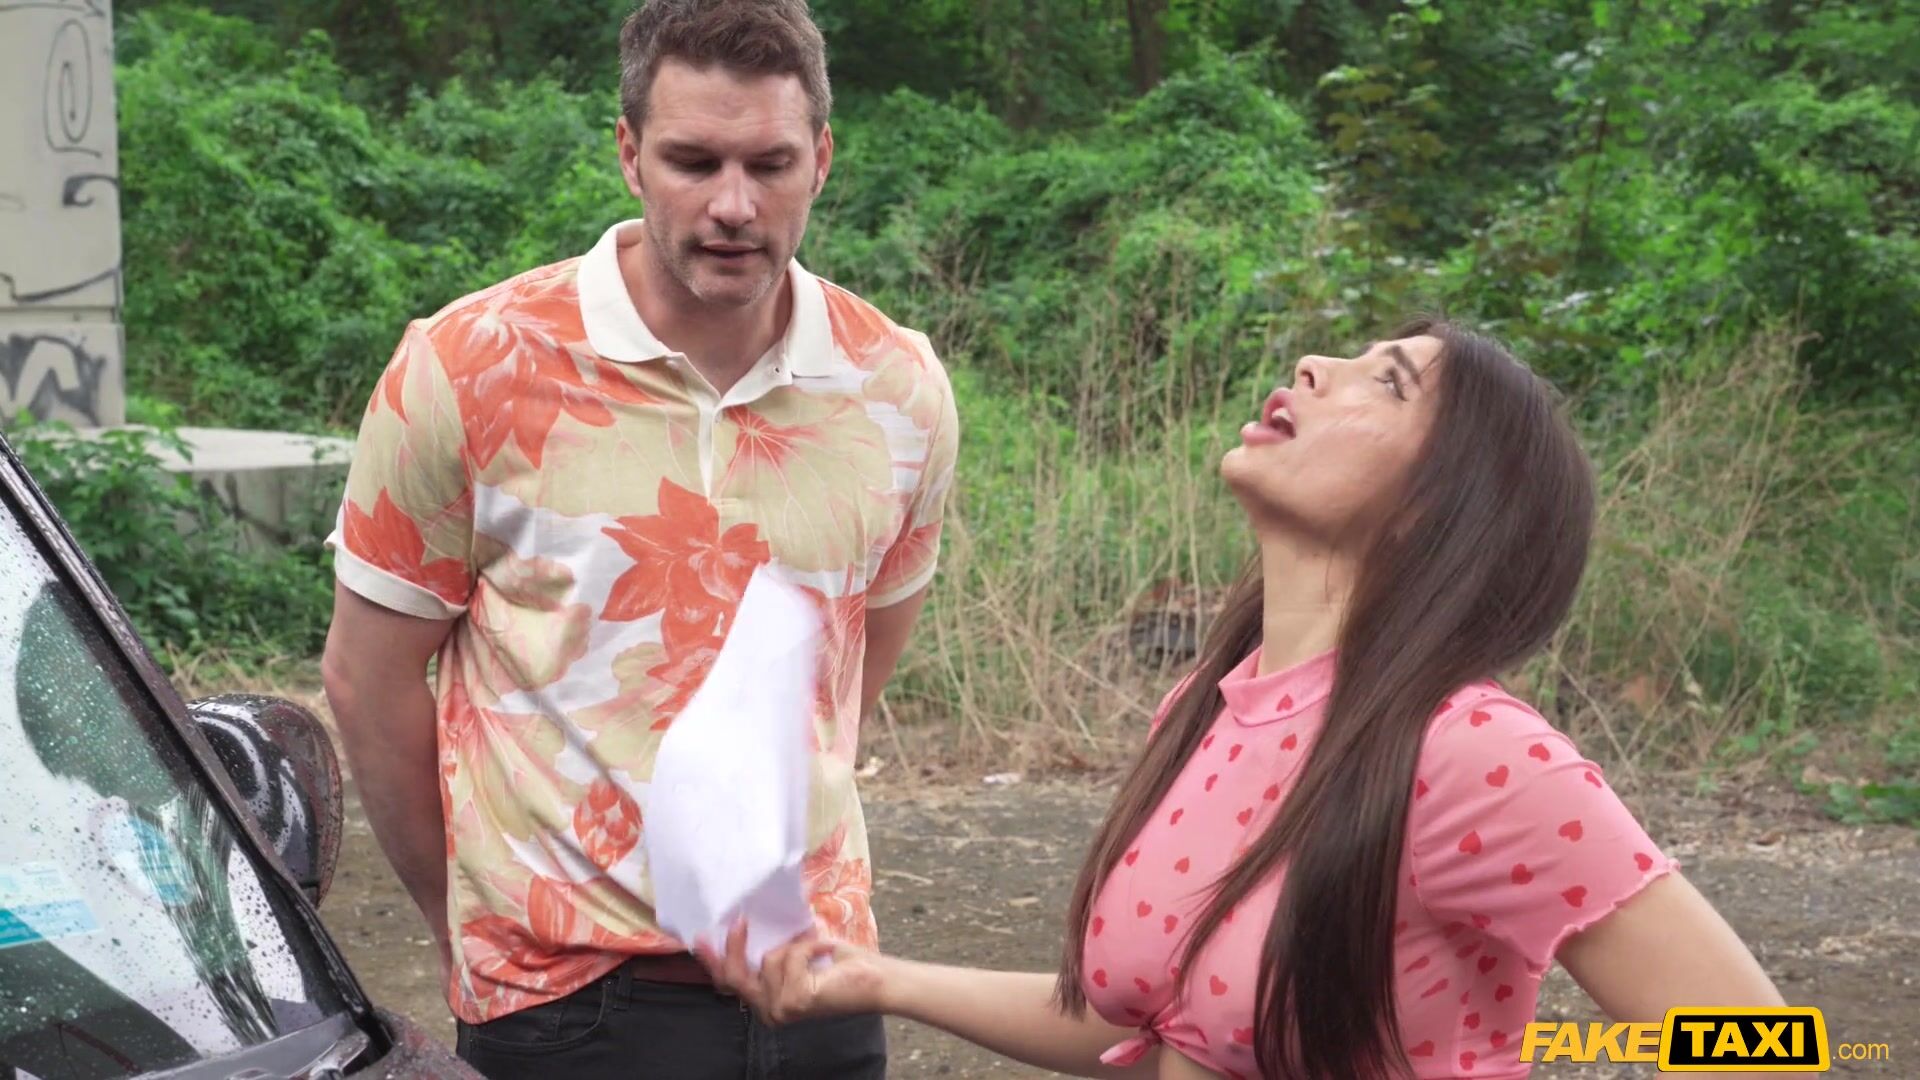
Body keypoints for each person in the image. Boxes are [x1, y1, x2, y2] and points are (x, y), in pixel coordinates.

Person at [705, 321, 1785, 1079]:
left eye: (1387, 384)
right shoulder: (1205, 709)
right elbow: (1156, 1032)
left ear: (1439, 508)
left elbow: (1756, 1045)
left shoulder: (1472, 754)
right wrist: (876, 980)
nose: (1314, 365)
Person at [319, 1, 957, 1076]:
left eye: (770, 164)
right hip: (565, 1004)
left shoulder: (898, 387)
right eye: (692, 161)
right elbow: (366, 680)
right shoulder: (469, 366)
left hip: (822, 982)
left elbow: (847, 675)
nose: (732, 205)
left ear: (822, 160)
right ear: (628, 154)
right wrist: (464, 926)